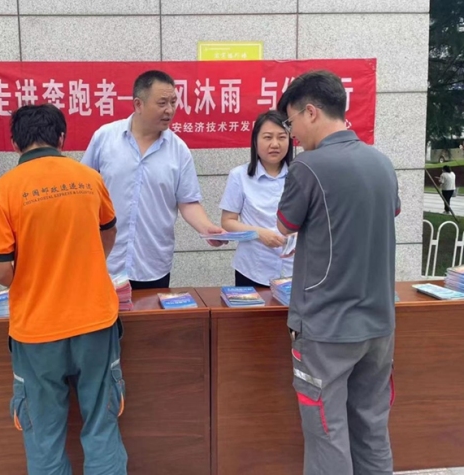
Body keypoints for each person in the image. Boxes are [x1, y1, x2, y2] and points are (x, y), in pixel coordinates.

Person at [0, 104, 127, 475]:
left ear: (15, 143)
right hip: (96, 322)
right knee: (102, 426)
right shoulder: (88, 178)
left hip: (36, 331)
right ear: (62, 138)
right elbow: (108, 233)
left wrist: (35, 276)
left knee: (43, 435)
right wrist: (86, 265)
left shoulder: (1, 192)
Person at [275, 70, 400, 475]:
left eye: (291, 123)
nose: (291, 135)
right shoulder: (382, 163)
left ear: (311, 112)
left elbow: (284, 226)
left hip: (326, 329)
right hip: (379, 327)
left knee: (327, 434)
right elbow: (390, 211)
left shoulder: (308, 168)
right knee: (371, 427)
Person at [81, 70, 225, 290]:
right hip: (106, 259)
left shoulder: (179, 150)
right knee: (105, 324)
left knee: (151, 324)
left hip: (152, 263)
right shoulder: (105, 137)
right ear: (138, 104)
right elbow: (84, 189)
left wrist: (207, 228)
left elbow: (187, 202)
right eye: (162, 103)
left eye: (173, 102)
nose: (170, 110)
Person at [219, 110, 294, 288]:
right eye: (267, 137)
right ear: (255, 141)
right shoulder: (239, 176)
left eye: (282, 137)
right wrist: (259, 233)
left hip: (294, 269)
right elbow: (228, 221)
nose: (275, 144)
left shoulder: (301, 175)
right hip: (253, 269)